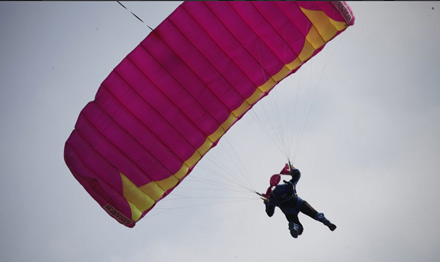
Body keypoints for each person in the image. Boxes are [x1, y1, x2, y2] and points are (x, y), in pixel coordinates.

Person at [262, 164, 336, 238]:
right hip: (298, 202)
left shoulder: (272, 198)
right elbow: (297, 174)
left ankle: (295, 227)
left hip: (289, 211)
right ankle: (324, 220)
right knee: (314, 214)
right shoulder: (287, 186)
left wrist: (266, 203)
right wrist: (292, 170)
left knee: (300, 229)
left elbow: (270, 213)